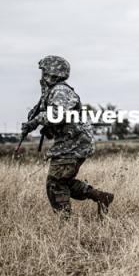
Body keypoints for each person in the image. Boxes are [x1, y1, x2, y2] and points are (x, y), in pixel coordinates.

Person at [21, 55, 113, 218]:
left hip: (73, 144)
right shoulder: (51, 91)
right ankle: (100, 197)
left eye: (44, 71)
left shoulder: (60, 91)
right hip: (70, 143)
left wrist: (36, 121)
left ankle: (65, 222)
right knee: (62, 181)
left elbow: (57, 114)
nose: (41, 75)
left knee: (55, 183)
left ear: (52, 72)